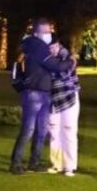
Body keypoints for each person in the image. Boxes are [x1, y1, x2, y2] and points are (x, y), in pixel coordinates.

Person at [10, 18, 73, 174]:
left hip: (43, 91)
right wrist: (70, 61)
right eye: (45, 32)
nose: (48, 34)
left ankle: (34, 161)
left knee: (42, 129)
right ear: (36, 33)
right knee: (29, 129)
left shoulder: (36, 46)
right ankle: (16, 162)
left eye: (49, 31)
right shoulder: (36, 46)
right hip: (34, 92)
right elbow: (54, 65)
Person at [46, 40, 81, 177]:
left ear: (59, 45)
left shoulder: (68, 58)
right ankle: (56, 164)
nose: (52, 50)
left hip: (69, 97)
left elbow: (62, 72)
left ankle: (70, 166)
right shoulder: (47, 59)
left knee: (69, 130)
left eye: (54, 46)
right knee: (54, 132)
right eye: (49, 47)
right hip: (53, 99)